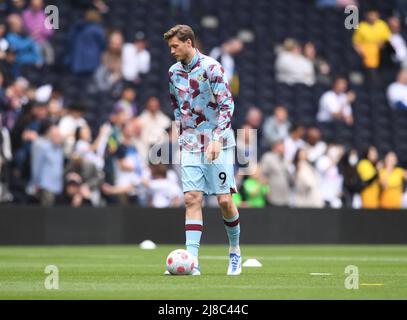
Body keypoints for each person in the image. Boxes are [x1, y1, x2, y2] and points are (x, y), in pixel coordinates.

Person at [164, 24, 241, 276]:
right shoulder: (173, 72)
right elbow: (177, 107)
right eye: (170, 47)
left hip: (218, 142)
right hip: (190, 144)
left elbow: (227, 106)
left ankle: (234, 252)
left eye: (175, 45)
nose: (172, 50)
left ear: (188, 42)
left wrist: (218, 138)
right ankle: (192, 261)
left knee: (224, 201)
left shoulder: (212, 68)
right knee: (191, 199)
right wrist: (180, 134)